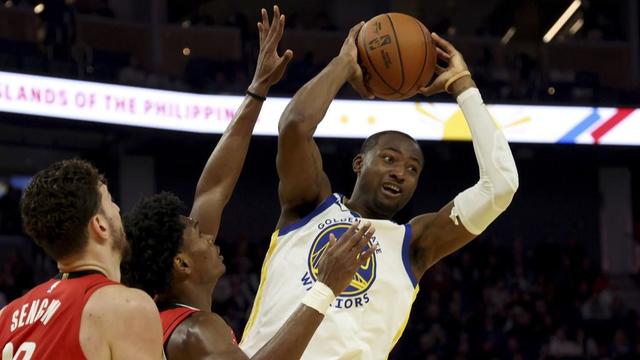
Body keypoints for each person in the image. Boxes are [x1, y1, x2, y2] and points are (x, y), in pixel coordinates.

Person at [240, 23, 519, 359]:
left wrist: (464, 86)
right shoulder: (309, 205)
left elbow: (501, 185)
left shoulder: (414, 245)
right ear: (359, 163)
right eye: (389, 158)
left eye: (412, 169)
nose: (400, 173)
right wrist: (344, 64)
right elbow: (295, 125)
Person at [122, 6, 377, 360]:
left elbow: (214, 188)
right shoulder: (198, 332)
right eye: (196, 233)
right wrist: (326, 287)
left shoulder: (168, 320)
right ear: (181, 265)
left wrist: (258, 88)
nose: (207, 233)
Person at [0, 159, 163, 359]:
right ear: (100, 225)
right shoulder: (128, 306)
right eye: (110, 201)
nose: (118, 209)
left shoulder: (6, 316)